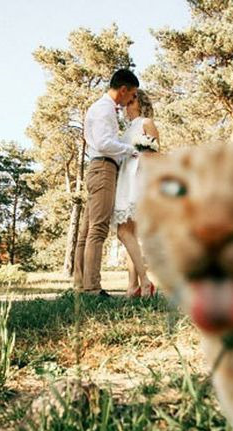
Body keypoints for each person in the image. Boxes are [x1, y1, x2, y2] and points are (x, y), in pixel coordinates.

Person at [73, 69, 139, 297]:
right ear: (123, 90)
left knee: (87, 230)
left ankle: (81, 284)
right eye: (132, 94)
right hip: (103, 168)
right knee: (98, 228)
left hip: (98, 167)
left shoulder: (103, 108)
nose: (132, 100)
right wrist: (130, 150)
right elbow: (103, 143)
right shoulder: (104, 109)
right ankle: (92, 288)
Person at [113, 90, 159, 297]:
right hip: (125, 179)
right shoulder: (127, 129)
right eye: (127, 101)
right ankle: (132, 287)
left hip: (137, 181)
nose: (127, 104)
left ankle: (145, 281)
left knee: (123, 232)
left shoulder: (146, 123)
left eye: (132, 101)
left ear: (141, 104)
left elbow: (154, 156)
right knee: (130, 235)